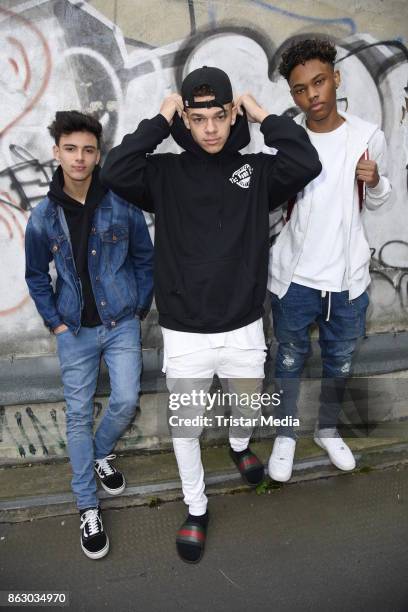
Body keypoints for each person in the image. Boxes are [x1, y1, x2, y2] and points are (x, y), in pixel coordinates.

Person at [100, 65, 321, 563]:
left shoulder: (259, 170)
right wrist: (159, 119)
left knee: (244, 412)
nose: (210, 128)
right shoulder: (162, 174)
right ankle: (196, 508)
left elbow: (306, 161)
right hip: (185, 333)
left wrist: (264, 116)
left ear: (232, 114)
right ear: (185, 119)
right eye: (197, 118)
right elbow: (115, 169)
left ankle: (240, 445)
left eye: (219, 116)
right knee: (187, 427)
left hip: (243, 325)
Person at [25, 111, 154, 559]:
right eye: (71, 149)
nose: (80, 158)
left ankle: (100, 453)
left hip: (120, 325)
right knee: (77, 416)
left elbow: (144, 258)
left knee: (125, 399)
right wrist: (55, 322)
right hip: (74, 331)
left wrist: (138, 308)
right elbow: (36, 276)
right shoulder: (42, 217)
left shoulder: (122, 204)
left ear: (98, 154)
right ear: (57, 152)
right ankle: (87, 506)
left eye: (88, 149)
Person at [267, 39, 391, 482]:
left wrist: (375, 181)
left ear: (336, 79)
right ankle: (285, 435)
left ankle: (326, 428)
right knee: (289, 358)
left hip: (346, 279)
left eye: (319, 82)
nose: (312, 95)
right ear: (293, 95)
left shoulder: (366, 135)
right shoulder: (288, 139)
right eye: (300, 89)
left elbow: (377, 201)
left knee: (339, 359)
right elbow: (272, 201)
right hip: (295, 277)